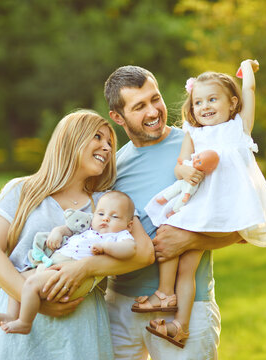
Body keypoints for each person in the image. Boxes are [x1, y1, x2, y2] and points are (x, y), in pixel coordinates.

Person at [0, 109, 154, 360]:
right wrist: (35, 302)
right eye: (97, 137)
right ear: (71, 139)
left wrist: (87, 268)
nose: (106, 147)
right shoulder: (21, 190)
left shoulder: (105, 203)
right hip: (19, 322)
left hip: (80, 325)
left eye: (110, 144)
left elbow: (144, 253)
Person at [142, 59, 266, 347]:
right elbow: (180, 165)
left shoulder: (238, 127)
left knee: (183, 247)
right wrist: (185, 171)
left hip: (226, 207)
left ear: (232, 103)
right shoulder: (193, 133)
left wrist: (247, 70)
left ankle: (169, 302)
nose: (204, 106)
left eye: (212, 99)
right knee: (182, 261)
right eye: (198, 102)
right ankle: (176, 317)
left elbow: (250, 93)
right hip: (199, 206)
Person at [104, 65, 242, 359]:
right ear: (117, 117)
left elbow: (244, 229)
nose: (153, 111)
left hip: (187, 309)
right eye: (139, 106)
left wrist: (191, 240)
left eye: (155, 99)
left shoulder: (200, 144)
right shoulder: (113, 168)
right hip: (120, 306)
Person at [0, 190, 137, 335]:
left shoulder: (119, 236)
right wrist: (58, 233)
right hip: (52, 264)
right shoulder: (90, 226)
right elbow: (69, 229)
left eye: (115, 216)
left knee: (31, 285)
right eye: (101, 213)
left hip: (71, 273)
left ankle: (25, 323)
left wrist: (106, 247)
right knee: (18, 278)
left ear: (129, 225)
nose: (105, 219)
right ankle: (11, 315)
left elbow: (130, 250)